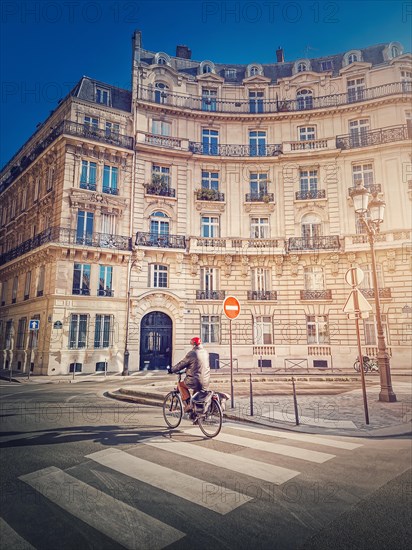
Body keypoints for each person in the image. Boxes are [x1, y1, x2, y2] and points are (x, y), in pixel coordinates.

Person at [167, 337, 210, 412]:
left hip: (195, 380)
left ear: (193, 345)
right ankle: (196, 416)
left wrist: (172, 369)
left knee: (180, 385)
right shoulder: (205, 352)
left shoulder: (192, 353)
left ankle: (188, 406)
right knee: (195, 397)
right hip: (206, 380)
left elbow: (182, 364)